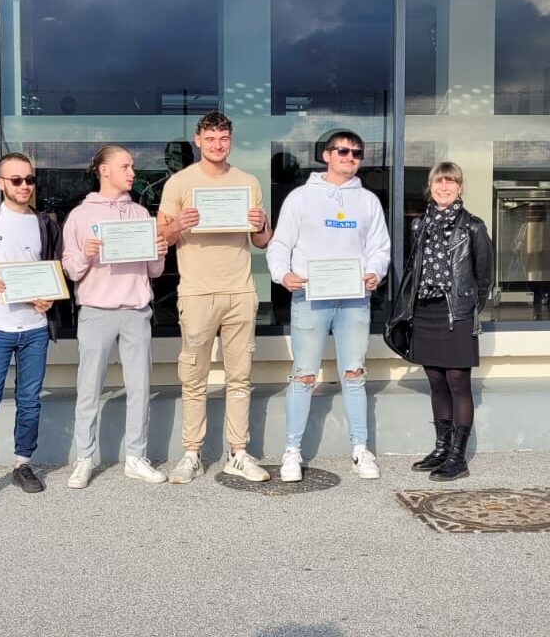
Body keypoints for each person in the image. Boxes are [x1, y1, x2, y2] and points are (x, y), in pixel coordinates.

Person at [266, 130, 390, 482]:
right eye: (343, 151)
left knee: (354, 374)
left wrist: (374, 272)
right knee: (304, 374)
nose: (350, 157)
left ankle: (360, 449)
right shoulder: (301, 198)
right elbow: (280, 244)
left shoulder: (367, 201)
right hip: (310, 296)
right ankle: (292, 451)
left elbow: (379, 247)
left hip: (354, 299)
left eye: (356, 153)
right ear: (326, 155)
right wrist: (282, 274)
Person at [157, 111, 273, 484]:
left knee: (240, 377)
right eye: (210, 139)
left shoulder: (247, 182)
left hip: (240, 290)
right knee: (194, 377)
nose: (217, 145)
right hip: (196, 292)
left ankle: (238, 453)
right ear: (198, 140)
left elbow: (261, 241)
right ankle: (191, 453)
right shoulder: (179, 183)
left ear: (230, 140)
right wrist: (179, 225)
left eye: (223, 138)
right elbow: (161, 237)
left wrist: (261, 224)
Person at [62, 145, 169, 488]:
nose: (132, 172)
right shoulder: (80, 215)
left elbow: (153, 270)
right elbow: (71, 269)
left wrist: (160, 252)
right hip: (96, 311)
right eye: (125, 166)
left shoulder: (140, 213)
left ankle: (136, 457)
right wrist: (85, 254)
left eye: (132, 166)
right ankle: (84, 458)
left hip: (136, 310)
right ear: (104, 170)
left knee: (140, 387)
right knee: (89, 388)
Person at [0, 152, 62, 509]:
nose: (24, 186)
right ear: (0, 182)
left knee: (30, 402)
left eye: (29, 179)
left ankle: (22, 464)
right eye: (16, 180)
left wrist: (50, 297)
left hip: (35, 329)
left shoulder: (45, 223)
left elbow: (55, 269)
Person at [393, 162, 492, 480]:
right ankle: (441, 449)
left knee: (458, 382)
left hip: (456, 314)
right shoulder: (419, 224)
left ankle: (458, 458)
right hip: (426, 312)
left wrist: (467, 310)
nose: (444, 187)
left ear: (460, 187)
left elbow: (484, 278)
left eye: (451, 182)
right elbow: (414, 269)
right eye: (439, 181)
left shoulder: (473, 227)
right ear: (431, 186)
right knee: (436, 381)